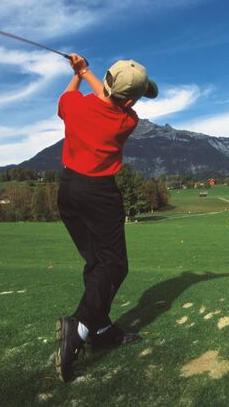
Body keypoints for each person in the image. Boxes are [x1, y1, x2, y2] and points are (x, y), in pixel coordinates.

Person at [55, 53, 158, 382]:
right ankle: (81, 326)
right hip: (99, 193)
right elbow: (114, 101)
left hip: (68, 190)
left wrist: (80, 73)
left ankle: (99, 328)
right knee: (115, 265)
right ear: (130, 101)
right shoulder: (127, 121)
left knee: (96, 261)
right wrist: (86, 72)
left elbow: (68, 98)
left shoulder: (76, 106)